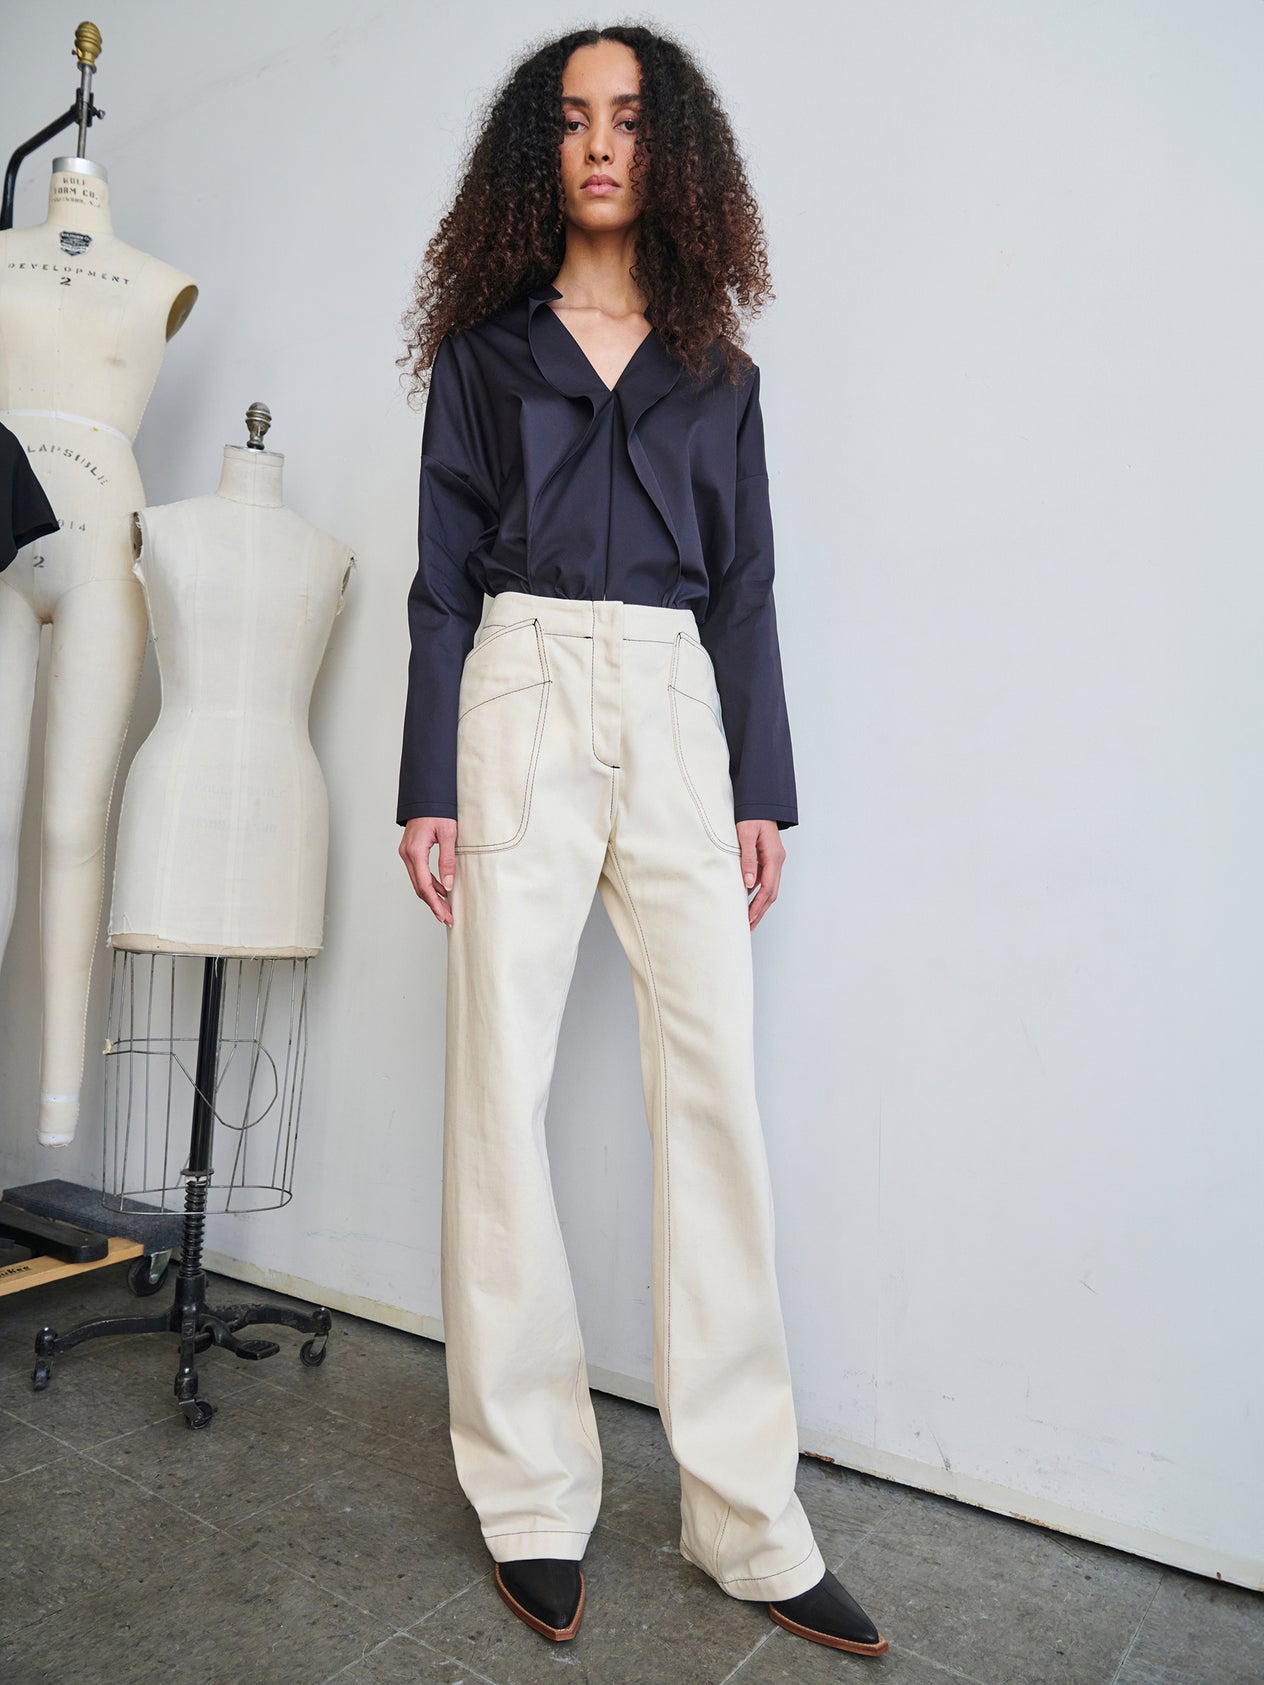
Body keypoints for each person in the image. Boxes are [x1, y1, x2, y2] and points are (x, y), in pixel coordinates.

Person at [396, 23, 888, 1659]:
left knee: (715, 1101)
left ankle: (750, 1515)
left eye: (627, 120)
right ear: (536, 155)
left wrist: (764, 785)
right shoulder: (481, 355)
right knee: (499, 1094)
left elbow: (748, 587)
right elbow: (440, 582)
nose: (600, 146)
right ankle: (532, 1493)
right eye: (571, 122)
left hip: (679, 705)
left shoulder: (719, 374)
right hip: (519, 689)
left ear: (668, 149)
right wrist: (426, 781)